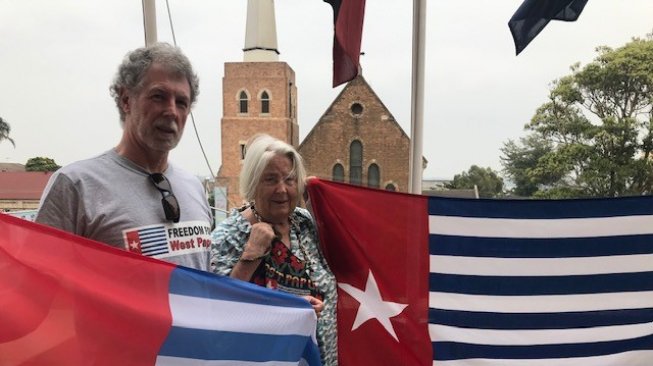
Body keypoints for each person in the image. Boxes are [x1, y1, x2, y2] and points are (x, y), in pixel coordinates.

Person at [36, 42, 212, 271]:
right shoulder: (76, 186)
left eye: (182, 102)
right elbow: (36, 289)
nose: (172, 111)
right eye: (158, 96)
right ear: (126, 99)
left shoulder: (194, 188)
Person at [211, 134, 338, 366]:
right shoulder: (229, 236)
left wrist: (321, 202)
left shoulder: (305, 223)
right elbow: (219, 311)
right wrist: (251, 253)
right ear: (253, 182)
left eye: (290, 180)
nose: (282, 190)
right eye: (270, 179)